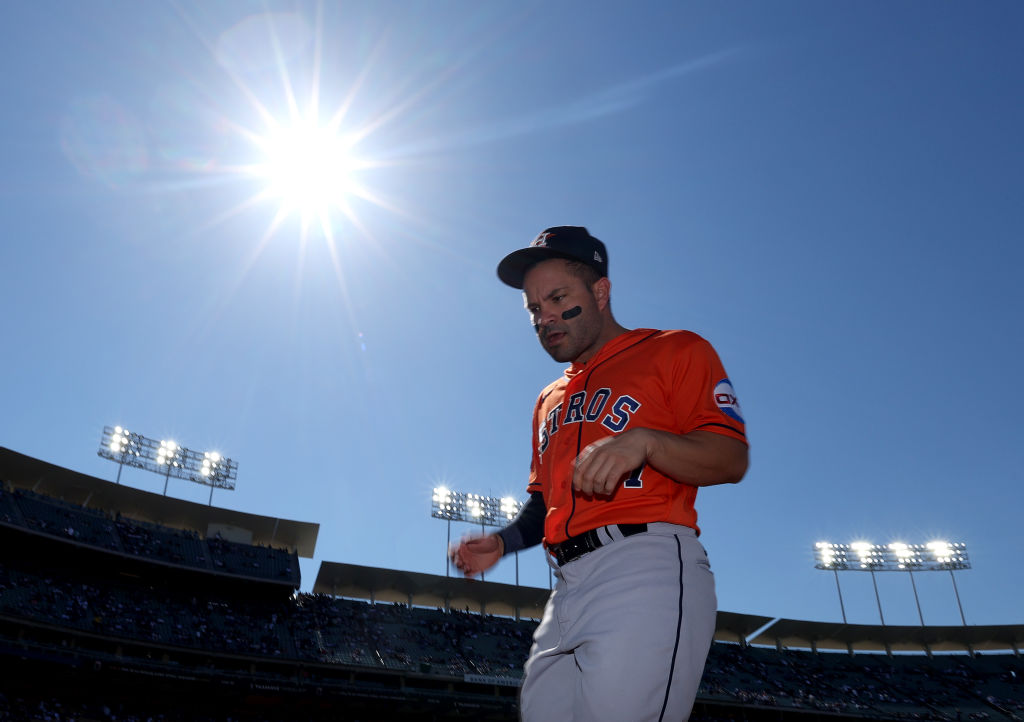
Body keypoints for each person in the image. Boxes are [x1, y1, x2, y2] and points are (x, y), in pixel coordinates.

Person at [450, 226, 749, 722]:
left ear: (601, 292)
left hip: (644, 564)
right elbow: (546, 501)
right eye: (532, 308)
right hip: (565, 585)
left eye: (557, 297)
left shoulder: (676, 350)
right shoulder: (547, 399)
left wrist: (647, 441)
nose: (544, 317)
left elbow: (729, 457)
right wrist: (502, 543)